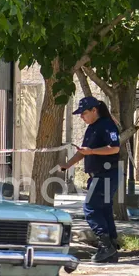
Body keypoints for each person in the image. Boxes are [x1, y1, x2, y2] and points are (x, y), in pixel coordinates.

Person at [59, 96, 121, 263]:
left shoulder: (107, 125)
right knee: (104, 210)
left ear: (94, 110)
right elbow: (83, 151)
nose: (81, 117)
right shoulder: (92, 128)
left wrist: (92, 152)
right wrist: (67, 165)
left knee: (90, 208)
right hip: (98, 175)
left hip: (106, 174)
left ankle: (106, 246)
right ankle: (111, 247)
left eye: (84, 113)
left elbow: (114, 148)